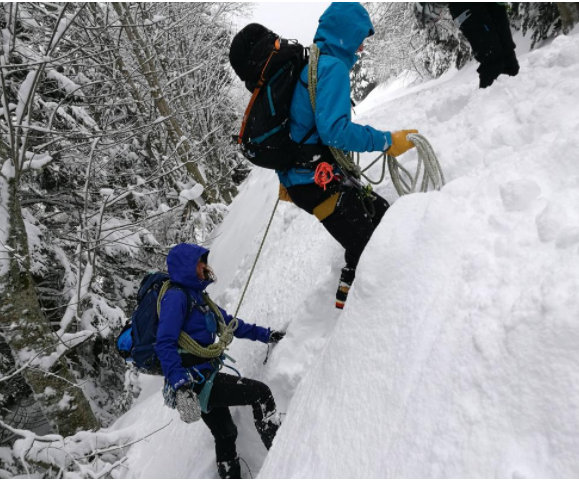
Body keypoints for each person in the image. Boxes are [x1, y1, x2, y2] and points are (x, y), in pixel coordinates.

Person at [278, 2, 419, 309]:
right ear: (346, 33)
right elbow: (335, 131)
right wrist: (386, 141)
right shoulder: (332, 68)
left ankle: (351, 294)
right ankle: (358, 310)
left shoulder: (314, 62)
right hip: (313, 181)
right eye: (360, 36)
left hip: (307, 176)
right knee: (370, 242)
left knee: (378, 217)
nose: (362, 45)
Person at [155, 243, 285, 479]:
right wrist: (180, 384)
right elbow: (164, 342)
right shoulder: (176, 298)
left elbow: (231, 324)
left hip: (205, 376)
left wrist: (266, 335)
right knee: (261, 394)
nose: (205, 266)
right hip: (195, 381)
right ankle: (284, 458)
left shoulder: (200, 299)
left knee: (225, 433)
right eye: (199, 262)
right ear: (187, 267)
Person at [415, 3, 520, 89]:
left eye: (433, 16)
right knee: (493, 57)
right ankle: (488, 102)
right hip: (465, 9)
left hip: (469, 7)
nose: (439, 15)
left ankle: (512, 91)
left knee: (505, 54)